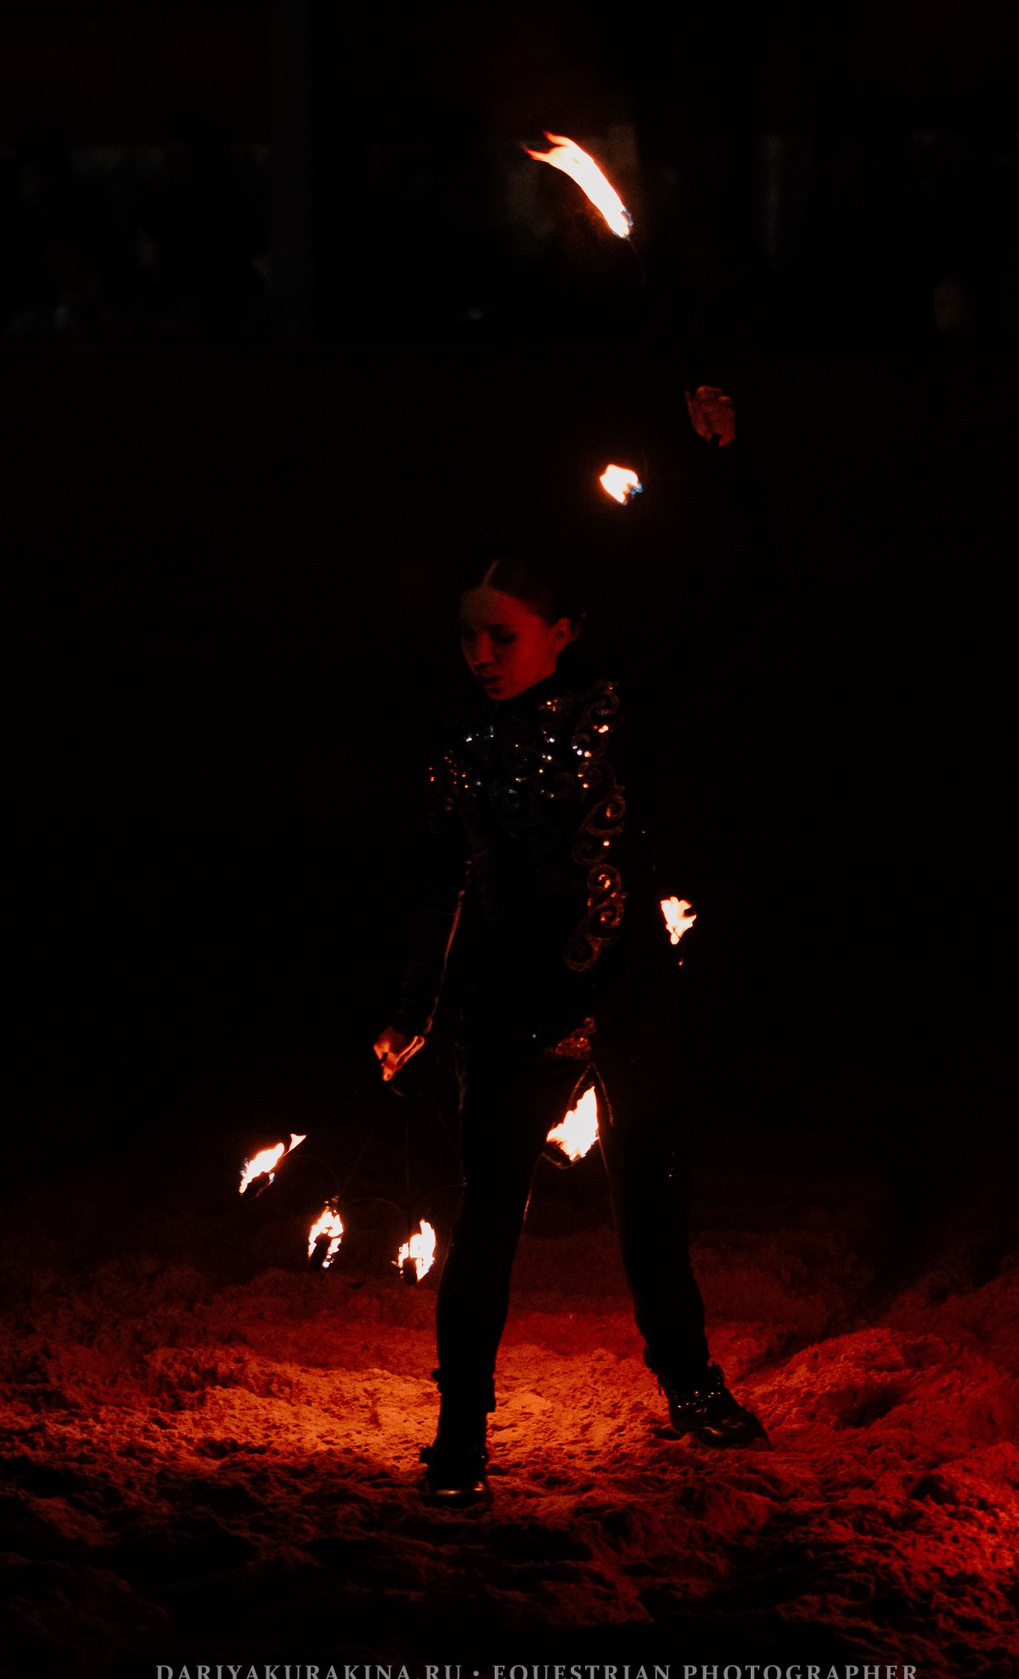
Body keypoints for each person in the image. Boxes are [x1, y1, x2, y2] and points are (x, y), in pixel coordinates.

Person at [375, 387, 767, 1505]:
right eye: (469, 636)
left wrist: (724, 463)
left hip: (635, 992)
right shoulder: (460, 755)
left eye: (503, 636)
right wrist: (410, 1005)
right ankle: (460, 1431)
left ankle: (689, 1389)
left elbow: (732, 592)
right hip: (510, 1003)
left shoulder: (614, 706)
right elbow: (440, 882)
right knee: (487, 1214)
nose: (482, 655)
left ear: (562, 631)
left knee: (655, 1196)